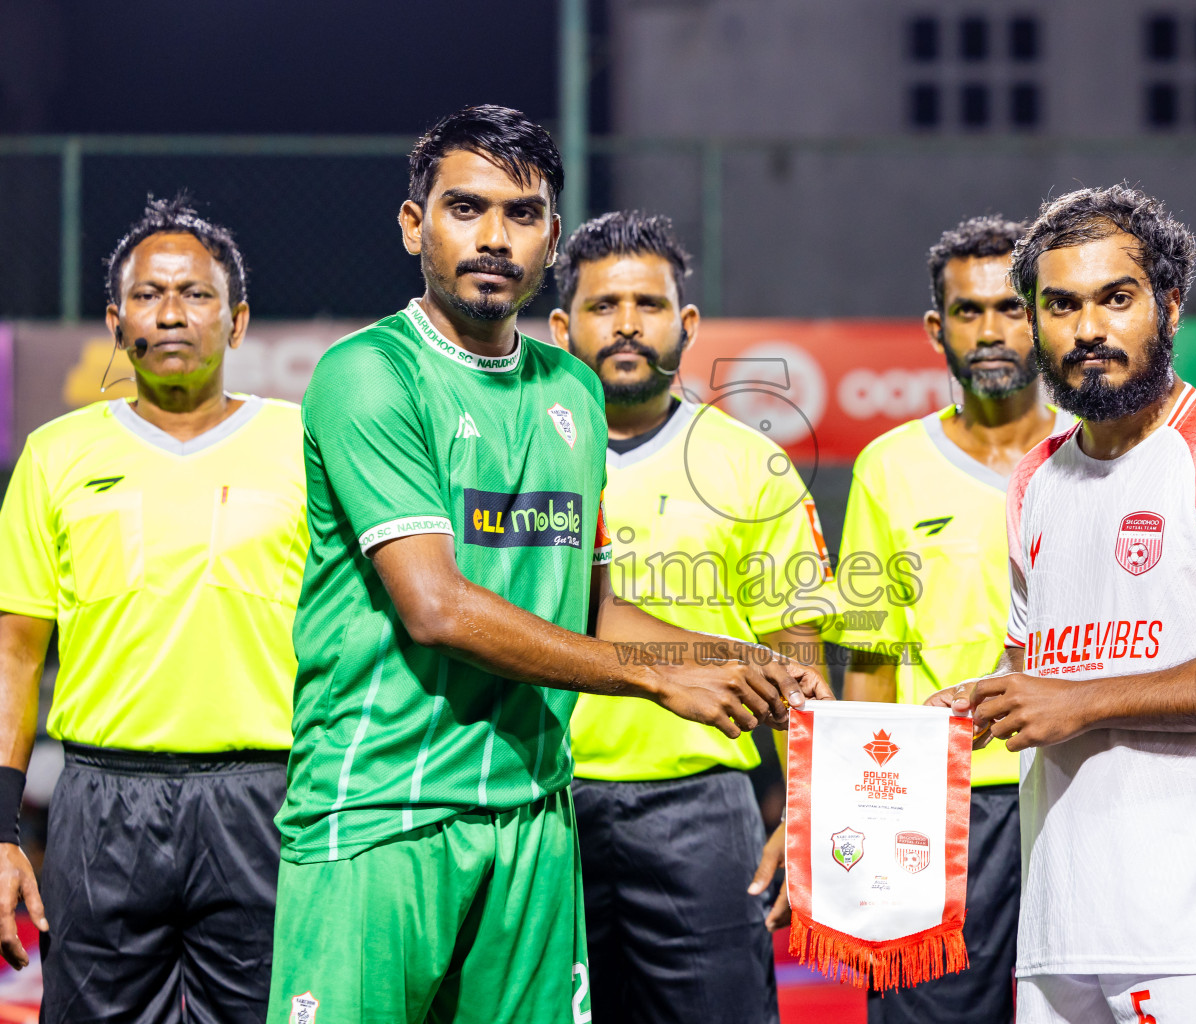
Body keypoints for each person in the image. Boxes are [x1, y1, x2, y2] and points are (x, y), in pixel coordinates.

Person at [265, 106, 830, 1024]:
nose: (495, 238)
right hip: (380, 813)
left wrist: (715, 659)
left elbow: (593, 603)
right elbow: (437, 608)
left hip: (534, 815)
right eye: (467, 209)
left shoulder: (569, 387)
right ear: (416, 226)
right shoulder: (368, 373)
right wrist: (654, 682)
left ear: (551, 237)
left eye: (522, 215)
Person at [931, 184, 1196, 1024]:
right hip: (1062, 924)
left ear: (1168, 305)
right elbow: (1037, 671)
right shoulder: (1034, 478)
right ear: (1035, 321)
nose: (1090, 329)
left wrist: (1081, 703)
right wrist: (976, 705)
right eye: (1061, 305)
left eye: (1117, 298)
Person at [0, 196, 308, 1021]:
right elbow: (16, 654)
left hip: (267, 798)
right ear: (115, 319)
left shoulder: (305, 446)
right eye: (149, 294)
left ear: (237, 321)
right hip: (102, 800)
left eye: (197, 293)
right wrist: (0, 830)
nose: (172, 312)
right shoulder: (56, 455)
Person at [549, 209, 831, 1024]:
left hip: (700, 807)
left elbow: (797, 657)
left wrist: (807, 813)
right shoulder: (521, 454)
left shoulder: (750, 464)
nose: (628, 323)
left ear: (688, 323)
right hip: (541, 802)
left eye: (648, 303)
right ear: (564, 325)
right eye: (604, 306)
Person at [827, 214, 1071, 1024]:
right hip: (939, 814)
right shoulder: (887, 468)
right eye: (969, 311)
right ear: (937, 329)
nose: (992, 330)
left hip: (1077, 789)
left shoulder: (1099, 453)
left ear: (1040, 317)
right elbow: (867, 665)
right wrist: (861, 814)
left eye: (1011, 308)